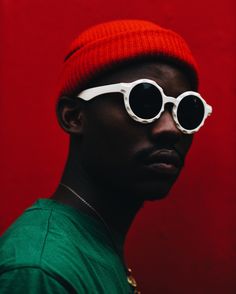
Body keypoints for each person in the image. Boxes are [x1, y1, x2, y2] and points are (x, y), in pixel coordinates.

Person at [0, 20, 212, 293]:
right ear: (74, 116)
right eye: (145, 101)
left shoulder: (93, 246)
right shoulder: (41, 273)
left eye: (187, 111)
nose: (170, 128)